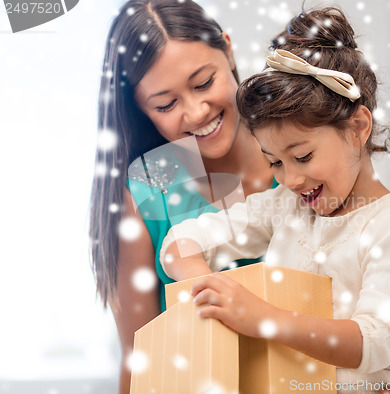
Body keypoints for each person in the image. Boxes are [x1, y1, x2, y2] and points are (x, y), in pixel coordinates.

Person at [160, 7, 390, 394]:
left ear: (359, 127)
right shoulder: (285, 207)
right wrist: (209, 289)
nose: (290, 179)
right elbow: (181, 242)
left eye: (303, 156)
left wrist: (265, 319)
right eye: (274, 161)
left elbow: (373, 343)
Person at [89, 1, 275, 393]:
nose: (195, 112)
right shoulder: (148, 191)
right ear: (142, 110)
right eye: (166, 104)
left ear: (227, 49)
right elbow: (138, 363)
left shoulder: (301, 154)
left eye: (204, 83)